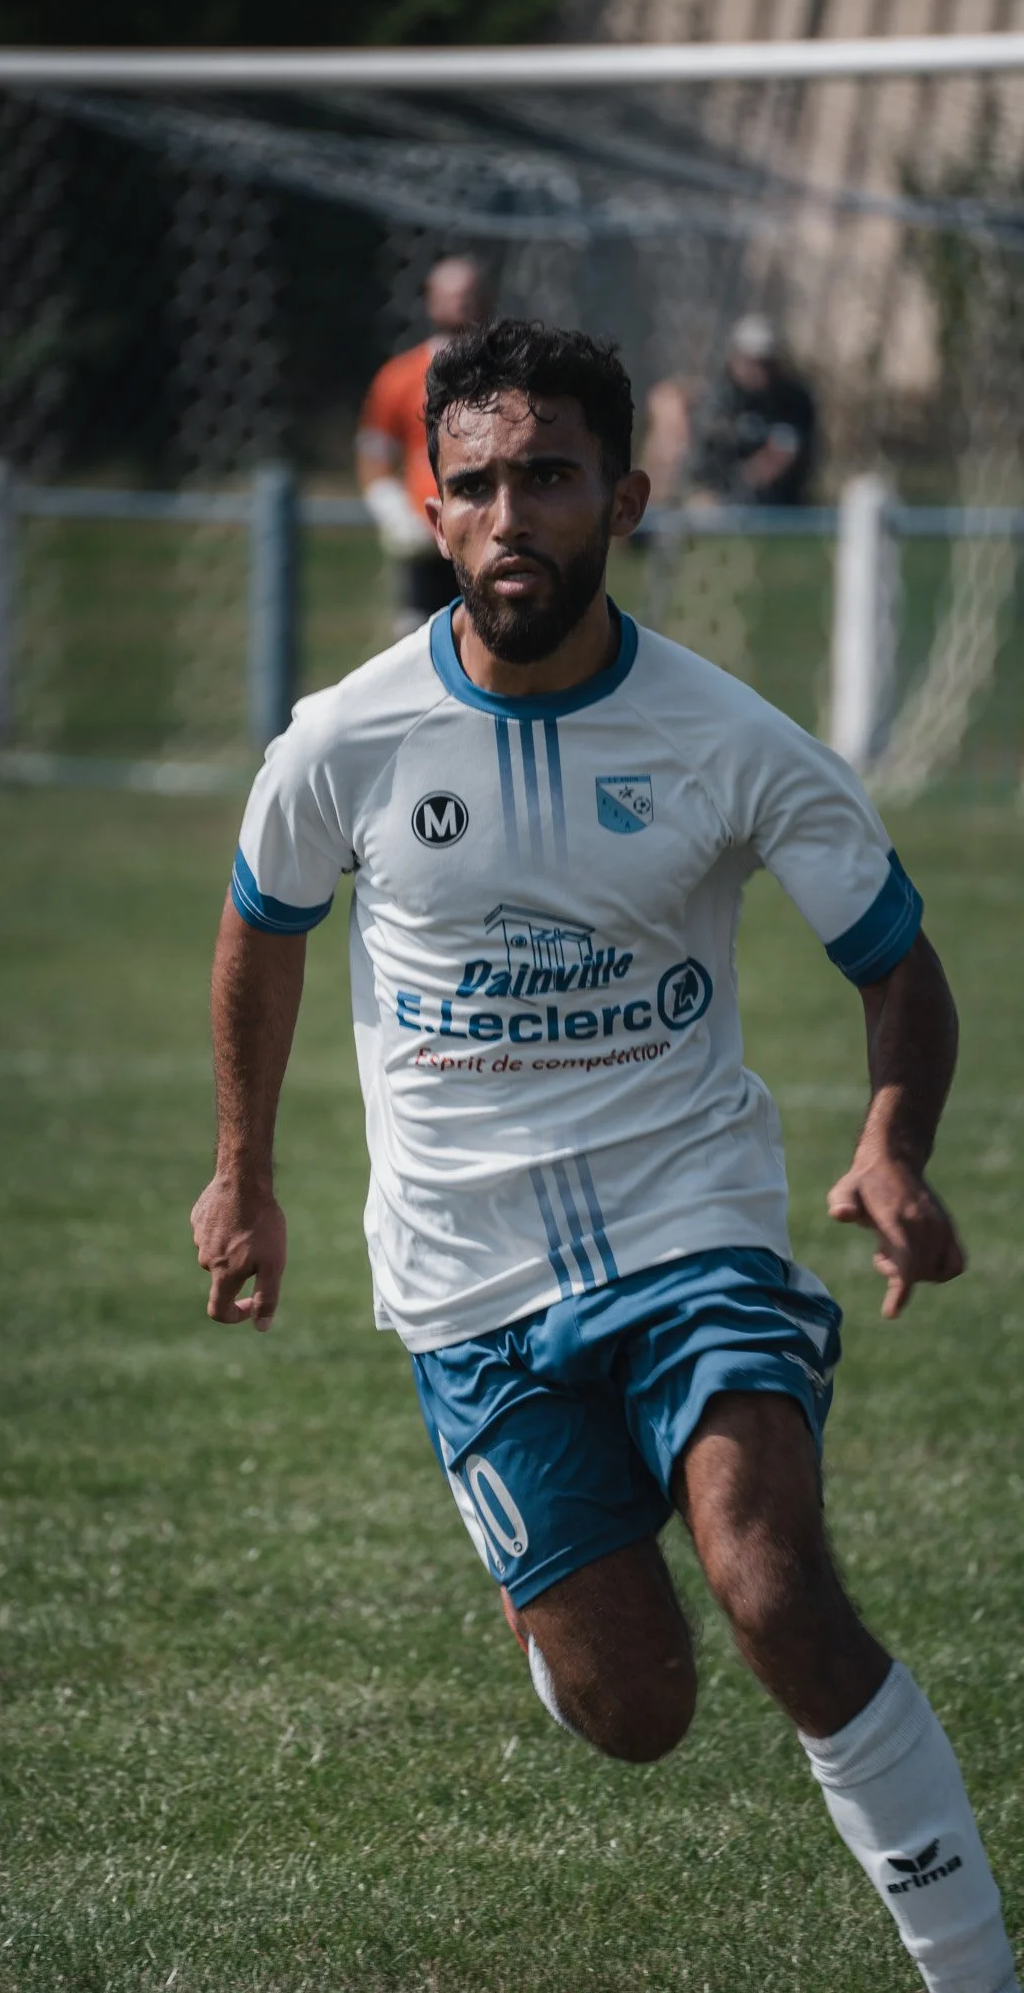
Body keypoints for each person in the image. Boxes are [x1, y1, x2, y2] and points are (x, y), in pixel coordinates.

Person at [191, 319, 1018, 1993]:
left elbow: (897, 965)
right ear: (435, 511)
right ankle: (568, 1615)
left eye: (549, 479)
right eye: (477, 483)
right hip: (465, 1282)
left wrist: (891, 1137)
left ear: (624, 497)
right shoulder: (340, 742)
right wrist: (242, 1170)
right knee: (640, 1709)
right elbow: (260, 933)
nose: (512, 519)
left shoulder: (734, 739)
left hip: (691, 1225)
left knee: (774, 1585)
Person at [356, 254, 490, 638]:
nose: (460, 303)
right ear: (431, 300)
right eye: (450, 294)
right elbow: (374, 452)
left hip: (488, 533)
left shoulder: (508, 369)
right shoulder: (400, 377)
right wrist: (392, 509)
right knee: (420, 638)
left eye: (469, 293)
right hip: (425, 537)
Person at [644, 313, 817, 507]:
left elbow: (775, 460)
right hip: (708, 494)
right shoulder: (721, 398)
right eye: (749, 360)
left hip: (767, 506)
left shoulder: (791, 404)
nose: (756, 370)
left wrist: (727, 496)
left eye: (764, 362)